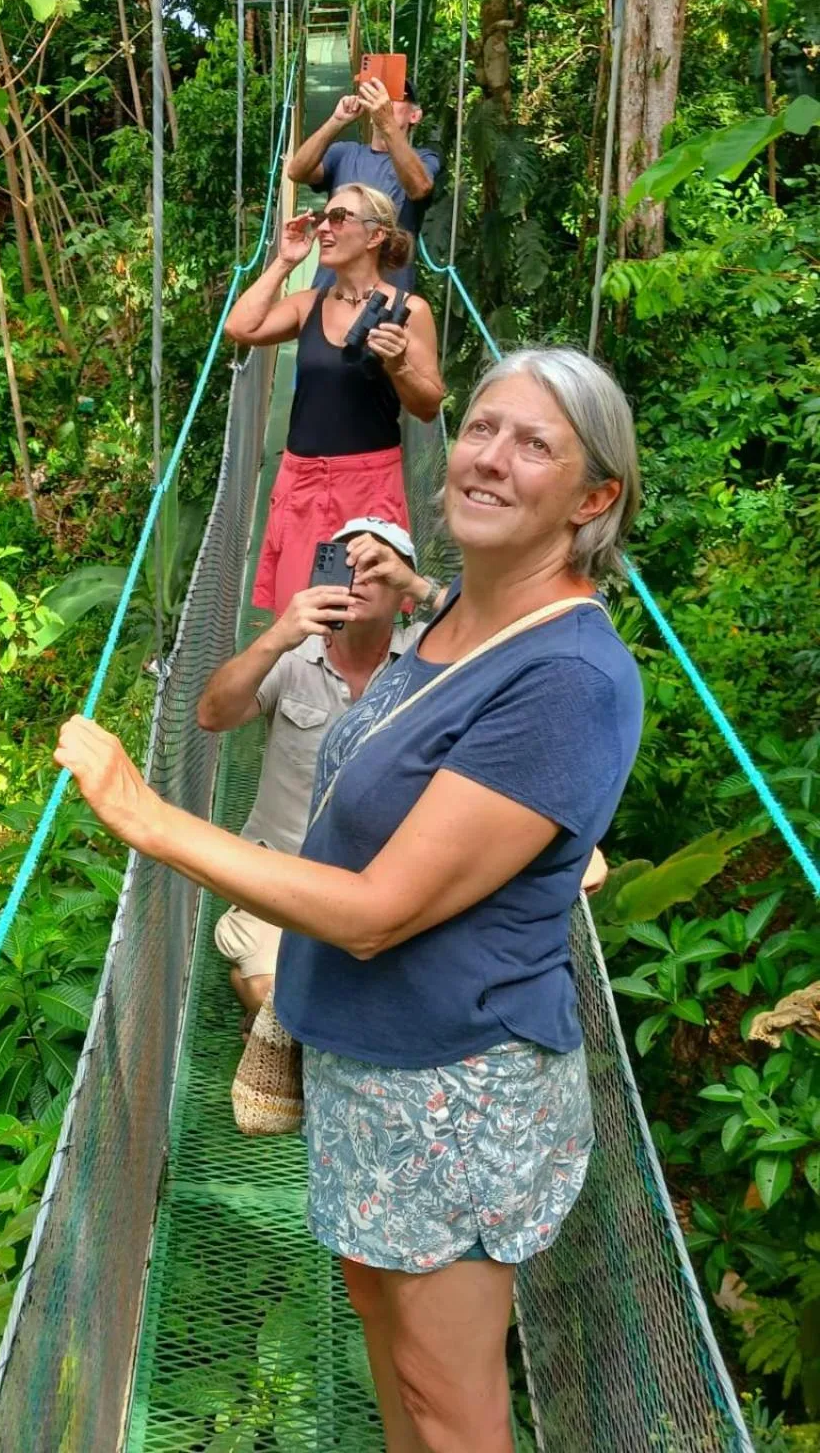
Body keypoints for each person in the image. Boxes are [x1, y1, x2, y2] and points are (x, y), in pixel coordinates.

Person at [55, 346, 643, 1453]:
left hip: (457, 1088)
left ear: (593, 497)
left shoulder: (567, 676)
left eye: (535, 444)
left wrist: (149, 816)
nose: (488, 456)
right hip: (367, 1065)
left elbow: (379, 907)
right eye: (479, 427)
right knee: (391, 1359)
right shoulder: (450, 621)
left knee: (450, 1402)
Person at [198, 518, 443, 1025]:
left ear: (402, 593)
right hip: (286, 873)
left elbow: (506, 634)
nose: (358, 576)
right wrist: (276, 637)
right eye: (345, 562)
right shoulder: (293, 653)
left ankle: (278, 1014)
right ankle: (272, 1006)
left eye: (377, 566)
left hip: (384, 879)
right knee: (273, 993)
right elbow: (212, 715)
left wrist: (421, 588)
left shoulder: (432, 653)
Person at [224, 184, 444, 617]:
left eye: (338, 218)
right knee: (296, 618)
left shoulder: (410, 310)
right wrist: (285, 261)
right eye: (324, 217)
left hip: (368, 485)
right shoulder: (309, 304)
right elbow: (240, 328)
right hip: (301, 483)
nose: (324, 227)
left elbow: (429, 405)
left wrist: (398, 365)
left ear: (375, 234)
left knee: (361, 618)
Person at [286, 75, 441, 295]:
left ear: (414, 115)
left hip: (386, 297)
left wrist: (387, 124)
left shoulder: (424, 159)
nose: (383, 101)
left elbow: (419, 187)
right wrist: (336, 121)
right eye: (378, 95)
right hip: (330, 291)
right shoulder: (345, 153)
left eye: (394, 97)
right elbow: (296, 171)